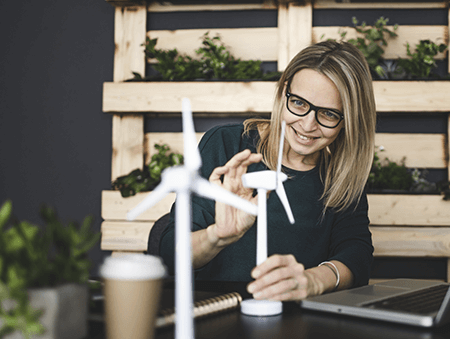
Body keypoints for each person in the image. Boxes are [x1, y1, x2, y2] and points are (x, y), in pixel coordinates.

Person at [159, 40, 376, 301]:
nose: (307, 124)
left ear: (348, 120)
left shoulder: (342, 176)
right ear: (284, 92)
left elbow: (357, 256)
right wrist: (217, 236)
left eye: (328, 114)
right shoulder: (226, 146)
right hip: (213, 311)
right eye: (298, 103)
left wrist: (313, 281)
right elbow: (171, 253)